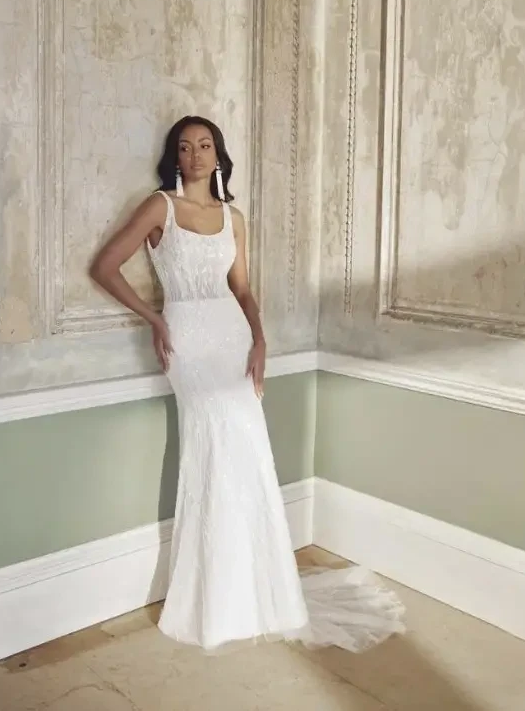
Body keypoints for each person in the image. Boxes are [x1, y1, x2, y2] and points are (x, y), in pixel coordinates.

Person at [90, 115, 405, 653]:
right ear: (175, 156)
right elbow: (105, 266)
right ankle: (211, 599)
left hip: (235, 343)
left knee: (250, 456)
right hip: (187, 342)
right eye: (185, 147)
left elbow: (243, 290)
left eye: (205, 145)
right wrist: (156, 318)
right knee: (209, 453)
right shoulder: (158, 207)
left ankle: (263, 594)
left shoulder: (234, 218)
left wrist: (260, 340)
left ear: (218, 156)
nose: (195, 155)